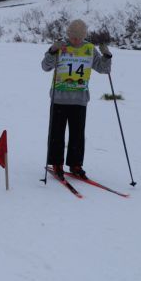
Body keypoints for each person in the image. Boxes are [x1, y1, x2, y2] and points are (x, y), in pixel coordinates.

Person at [41, 19, 112, 180]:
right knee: (56, 133)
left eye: (79, 37)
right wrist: (52, 50)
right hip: (59, 98)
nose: (75, 40)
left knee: (78, 134)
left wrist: (106, 55)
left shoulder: (89, 49)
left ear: (84, 36)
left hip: (80, 99)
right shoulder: (61, 46)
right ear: (68, 35)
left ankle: (75, 164)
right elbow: (45, 67)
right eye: (73, 37)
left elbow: (103, 69)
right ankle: (56, 163)